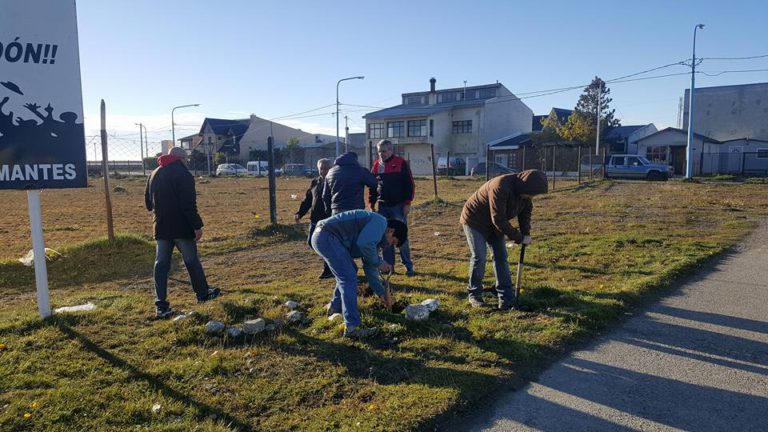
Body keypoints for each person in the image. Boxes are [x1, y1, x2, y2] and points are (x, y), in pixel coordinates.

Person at [144, 147, 220, 318]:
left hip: (161, 227)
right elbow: (188, 205)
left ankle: (161, 305)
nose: (187, 161)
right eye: (186, 158)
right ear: (180, 158)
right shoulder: (183, 174)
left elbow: (148, 204)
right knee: (191, 261)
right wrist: (197, 225)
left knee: (161, 265)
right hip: (181, 228)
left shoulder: (154, 173)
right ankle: (202, 294)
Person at [459, 169, 548, 310]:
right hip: (475, 221)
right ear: (524, 186)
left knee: (501, 257)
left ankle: (506, 298)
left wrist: (526, 234)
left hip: (496, 224)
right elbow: (499, 220)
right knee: (479, 257)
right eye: (531, 193)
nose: (531, 197)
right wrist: (518, 238)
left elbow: (525, 215)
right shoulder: (500, 186)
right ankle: (474, 294)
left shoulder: (526, 196)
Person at [311, 210, 408, 338]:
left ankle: (335, 307)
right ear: (391, 231)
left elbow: (370, 268)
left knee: (349, 271)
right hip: (327, 235)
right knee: (348, 278)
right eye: (393, 242)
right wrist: (379, 262)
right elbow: (365, 243)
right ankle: (352, 327)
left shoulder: (376, 239)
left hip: (325, 237)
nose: (389, 245)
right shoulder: (380, 222)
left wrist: (381, 293)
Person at [369, 139, 416, 276]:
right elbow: (373, 186)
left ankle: (408, 267)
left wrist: (407, 203)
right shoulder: (376, 165)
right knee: (385, 237)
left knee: (401, 237)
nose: (381, 154)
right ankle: (389, 267)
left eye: (383, 151)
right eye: (379, 151)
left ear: (390, 150)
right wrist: (371, 203)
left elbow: (410, 184)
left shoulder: (401, 163)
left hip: (399, 206)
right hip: (382, 206)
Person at [295, 158, 333, 279]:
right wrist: (300, 213)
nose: (323, 171)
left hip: (327, 219)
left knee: (324, 244)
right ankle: (333, 263)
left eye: (326, 168)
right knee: (311, 242)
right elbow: (308, 200)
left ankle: (328, 270)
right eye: (321, 168)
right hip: (315, 219)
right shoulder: (315, 182)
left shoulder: (334, 182)